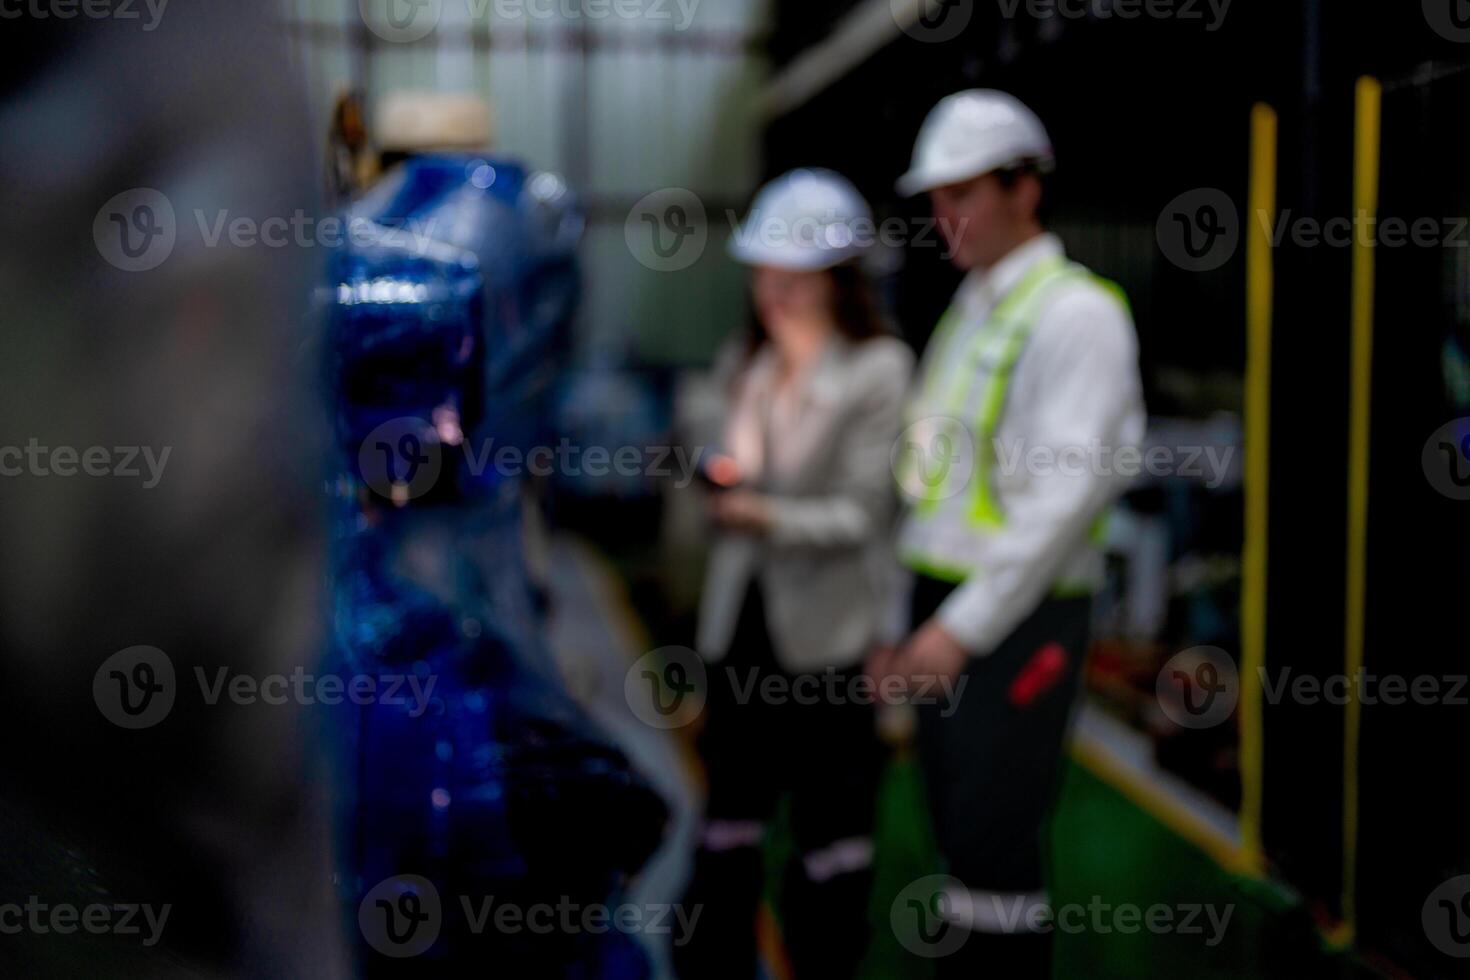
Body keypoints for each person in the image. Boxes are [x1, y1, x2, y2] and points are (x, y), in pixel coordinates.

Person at [875, 90, 1147, 977]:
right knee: (957, 833)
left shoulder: (1077, 316)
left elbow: (1061, 502)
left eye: (965, 194)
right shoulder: (974, 309)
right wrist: (906, 617)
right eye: (937, 199)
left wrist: (961, 628)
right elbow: (931, 487)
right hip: (950, 603)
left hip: (1017, 618)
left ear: (1025, 188)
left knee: (995, 852)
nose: (945, 216)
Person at [675, 169, 914, 979]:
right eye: (763, 271)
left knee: (831, 842)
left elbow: (860, 516)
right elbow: (715, 450)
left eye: (792, 274)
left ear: (837, 279)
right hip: (742, 630)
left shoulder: (878, 371)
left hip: (827, 645)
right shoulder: (745, 360)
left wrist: (760, 513)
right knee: (728, 824)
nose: (772, 288)